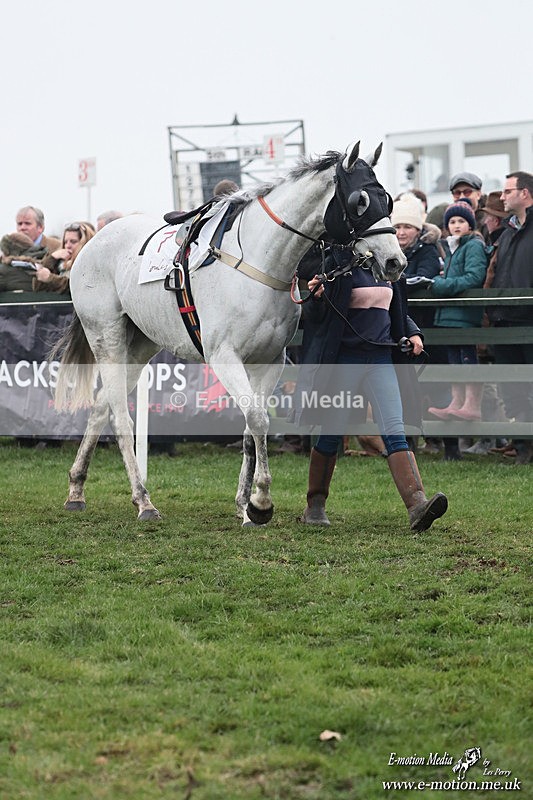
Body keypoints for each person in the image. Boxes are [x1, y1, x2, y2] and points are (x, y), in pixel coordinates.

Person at [296, 249, 448, 531]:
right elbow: (315, 315)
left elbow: (396, 308)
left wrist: (412, 331)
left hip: (381, 360)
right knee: (331, 433)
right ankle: (315, 505)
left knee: (394, 429)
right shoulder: (337, 264)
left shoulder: (389, 267)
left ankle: (417, 505)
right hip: (345, 361)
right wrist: (316, 297)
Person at [427, 199, 490, 427]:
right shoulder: (453, 246)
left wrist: (442, 285)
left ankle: (471, 404)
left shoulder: (473, 245)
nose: (456, 225)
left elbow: (474, 276)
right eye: (452, 221)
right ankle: (457, 401)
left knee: (466, 358)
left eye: (461, 221)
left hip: (464, 314)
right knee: (454, 358)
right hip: (449, 314)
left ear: (470, 225)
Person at [485, 170, 533, 464]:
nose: (502, 197)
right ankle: (523, 445)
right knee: (512, 387)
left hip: (529, 321)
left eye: (507, 191)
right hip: (504, 321)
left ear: (525, 193)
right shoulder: (508, 232)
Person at [0, 206, 61, 291]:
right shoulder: (9, 251)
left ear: (40, 227)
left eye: (27, 223)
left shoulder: (56, 247)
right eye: (19, 224)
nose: (22, 228)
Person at [32, 222, 95, 294]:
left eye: (73, 242)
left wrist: (51, 278)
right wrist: (51, 259)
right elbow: (38, 286)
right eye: (65, 242)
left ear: (84, 243)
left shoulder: (91, 265)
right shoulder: (59, 263)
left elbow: (78, 287)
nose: (68, 246)